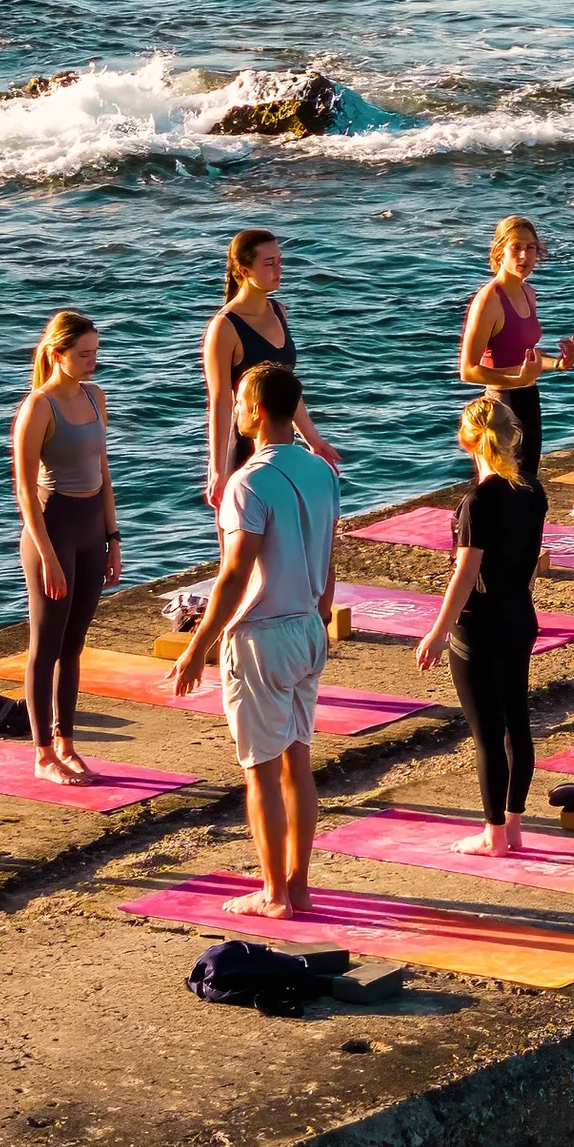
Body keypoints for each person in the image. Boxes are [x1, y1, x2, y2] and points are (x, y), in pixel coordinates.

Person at [169, 360, 340, 916]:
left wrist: (198, 647)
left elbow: (236, 573)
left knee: (261, 772)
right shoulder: (322, 471)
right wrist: (321, 617)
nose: (235, 410)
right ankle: (300, 884)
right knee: (299, 761)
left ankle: (273, 895)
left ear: (259, 410)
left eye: (240, 401)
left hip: (261, 637)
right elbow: (330, 557)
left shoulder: (248, 484)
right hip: (309, 627)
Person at [412, 394, 544, 855]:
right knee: (517, 726)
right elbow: (531, 563)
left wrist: (438, 630)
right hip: (519, 616)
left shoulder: (477, 502)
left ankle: (493, 836)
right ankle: (514, 826)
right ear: (513, 437)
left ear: (467, 439)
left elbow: (465, 575)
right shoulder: (533, 489)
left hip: (480, 628)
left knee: (488, 734)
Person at [8, 310, 119, 787]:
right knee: (46, 645)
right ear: (58, 354)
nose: (92, 362)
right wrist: (49, 555)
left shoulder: (96, 397)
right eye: (83, 354)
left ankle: (68, 743)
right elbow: (24, 491)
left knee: (75, 646)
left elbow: (104, 470)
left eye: (95, 353)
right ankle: (42, 752)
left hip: (93, 530)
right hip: (52, 533)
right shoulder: (38, 406)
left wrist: (114, 539)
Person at [203, 228, 341, 512]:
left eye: (280, 261)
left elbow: (287, 388)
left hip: (282, 445)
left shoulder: (279, 311)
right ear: (243, 269)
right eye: (269, 263)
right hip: (243, 445)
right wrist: (217, 470)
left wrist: (314, 441)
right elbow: (219, 401)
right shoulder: (224, 326)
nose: (278, 269)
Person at [456, 215, 574, 489]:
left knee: (529, 485)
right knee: (503, 491)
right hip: (501, 405)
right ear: (500, 251)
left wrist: (559, 364)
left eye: (530, 247)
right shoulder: (488, 300)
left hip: (528, 398)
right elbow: (468, 369)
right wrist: (517, 380)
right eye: (516, 247)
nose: (524, 255)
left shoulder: (528, 293)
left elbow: (525, 358)